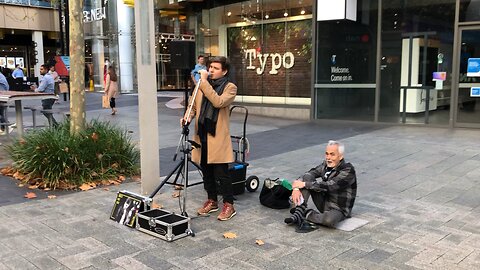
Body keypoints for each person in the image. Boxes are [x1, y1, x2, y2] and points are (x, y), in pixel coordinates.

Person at [182, 56, 237, 221]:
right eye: (210, 67)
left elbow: (218, 102)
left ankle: (229, 204)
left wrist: (203, 82)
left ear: (224, 71)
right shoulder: (201, 85)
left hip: (217, 136)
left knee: (221, 173)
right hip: (202, 134)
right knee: (206, 171)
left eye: (216, 68)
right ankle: (212, 200)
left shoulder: (230, 87)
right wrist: (187, 116)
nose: (211, 70)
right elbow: (192, 105)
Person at [285, 140, 357, 233]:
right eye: (327, 154)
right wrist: (296, 188)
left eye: (332, 154)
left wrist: (303, 184)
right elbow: (309, 174)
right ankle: (299, 212)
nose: (328, 157)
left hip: (339, 209)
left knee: (329, 221)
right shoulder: (325, 165)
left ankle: (305, 213)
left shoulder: (348, 170)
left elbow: (330, 186)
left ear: (341, 156)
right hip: (324, 202)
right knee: (308, 177)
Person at [0, 68, 10, 134]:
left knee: (1, 114)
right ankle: (4, 126)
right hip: (3, 98)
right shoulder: (2, 76)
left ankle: (5, 126)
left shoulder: (1, 78)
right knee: (1, 113)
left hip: (1, 98)